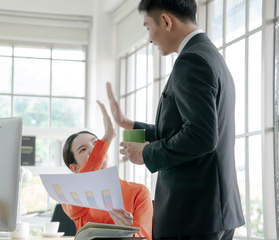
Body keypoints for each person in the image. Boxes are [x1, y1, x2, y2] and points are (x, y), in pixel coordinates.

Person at [106, 0, 245, 239]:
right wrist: (129, 124)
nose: (149, 38)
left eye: (148, 27)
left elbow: (201, 136)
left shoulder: (190, 61)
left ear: (166, 21)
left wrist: (146, 153)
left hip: (192, 214)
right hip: (214, 212)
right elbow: (187, 128)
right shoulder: (210, 55)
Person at [61, 100, 153, 240]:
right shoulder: (71, 196)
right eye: (83, 149)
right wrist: (107, 137)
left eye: (96, 143)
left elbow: (145, 237)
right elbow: (85, 181)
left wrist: (129, 232)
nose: (93, 150)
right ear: (75, 168)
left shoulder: (139, 192)